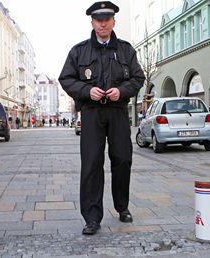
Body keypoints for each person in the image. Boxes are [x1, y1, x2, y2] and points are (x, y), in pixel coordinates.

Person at [59, 1, 145, 235]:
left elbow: (138, 78)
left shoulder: (126, 50)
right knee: (91, 163)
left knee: (123, 159)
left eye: (107, 19)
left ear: (113, 21)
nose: (103, 23)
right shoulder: (79, 51)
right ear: (92, 22)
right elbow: (66, 79)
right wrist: (87, 91)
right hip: (91, 113)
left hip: (117, 112)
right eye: (99, 19)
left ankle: (122, 206)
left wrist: (122, 91)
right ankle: (92, 217)